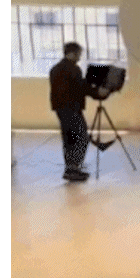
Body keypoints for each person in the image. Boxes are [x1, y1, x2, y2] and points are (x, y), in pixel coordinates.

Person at [49, 42, 106, 183]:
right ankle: (73, 170)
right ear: (72, 53)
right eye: (79, 54)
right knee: (80, 138)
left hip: (62, 109)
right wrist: (98, 92)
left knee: (69, 139)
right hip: (71, 109)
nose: (80, 57)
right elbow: (81, 88)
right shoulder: (73, 69)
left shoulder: (55, 69)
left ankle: (72, 169)